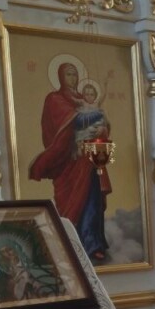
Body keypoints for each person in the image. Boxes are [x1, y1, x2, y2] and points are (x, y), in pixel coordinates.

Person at [28, 61, 111, 262]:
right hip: (68, 162)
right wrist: (94, 116)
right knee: (72, 201)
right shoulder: (54, 99)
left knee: (93, 200)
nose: (72, 78)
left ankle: (93, 244)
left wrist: (102, 129)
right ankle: (71, 243)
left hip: (89, 160)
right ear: (60, 77)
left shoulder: (85, 98)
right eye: (68, 74)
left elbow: (102, 124)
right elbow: (68, 123)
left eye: (75, 74)